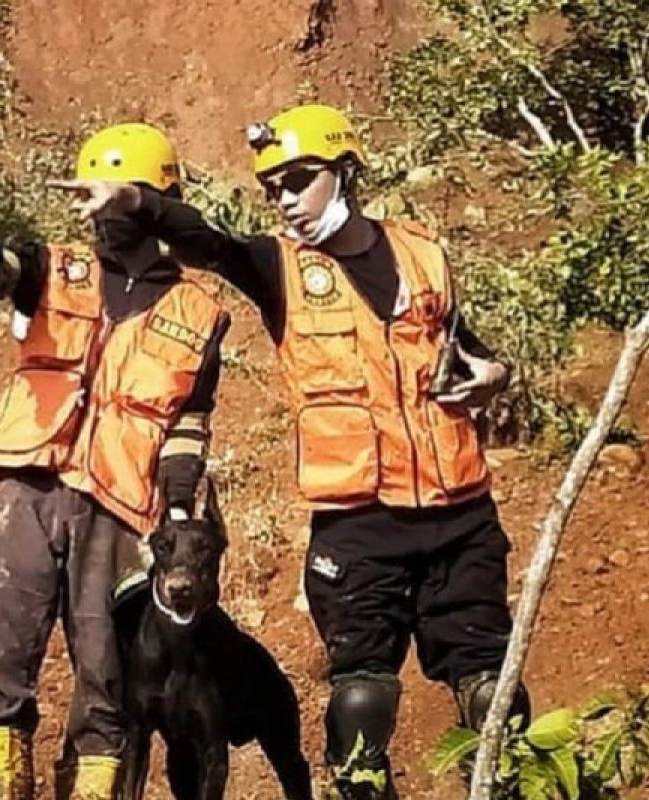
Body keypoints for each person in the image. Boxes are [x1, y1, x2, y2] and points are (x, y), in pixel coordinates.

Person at [51, 104, 530, 799]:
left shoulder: (426, 253)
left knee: (495, 692)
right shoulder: (277, 267)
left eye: (298, 180)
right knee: (360, 704)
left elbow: (465, 349)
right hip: (358, 524)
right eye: (271, 188)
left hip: (461, 514)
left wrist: (496, 374)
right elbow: (206, 241)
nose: (283, 200)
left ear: (346, 171)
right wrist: (137, 202)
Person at [0, 123, 230, 800]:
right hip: (24, 483)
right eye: (82, 195)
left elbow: (188, 426)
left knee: (107, 670)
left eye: (103, 194)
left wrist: (177, 513)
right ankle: (7, 788)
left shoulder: (200, 312)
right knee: (1, 645)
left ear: (151, 198)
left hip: (118, 506)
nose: (89, 210)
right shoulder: (57, 266)